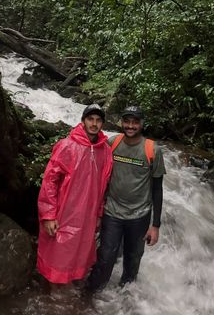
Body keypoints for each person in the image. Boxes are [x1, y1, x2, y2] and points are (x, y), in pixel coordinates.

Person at [86, 105, 166, 291]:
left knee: (132, 260)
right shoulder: (112, 143)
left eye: (135, 122)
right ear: (121, 122)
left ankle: (125, 300)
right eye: (127, 122)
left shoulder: (152, 150)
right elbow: (95, 167)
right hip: (112, 212)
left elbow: (157, 189)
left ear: (141, 124)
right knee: (105, 257)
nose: (130, 126)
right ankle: (90, 295)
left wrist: (155, 226)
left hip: (139, 215)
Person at [37, 104, 113, 284]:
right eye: (90, 119)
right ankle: (51, 296)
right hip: (64, 212)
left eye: (98, 120)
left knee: (80, 253)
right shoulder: (67, 146)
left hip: (88, 214)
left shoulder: (106, 151)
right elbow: (50, 181)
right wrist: (48, 215)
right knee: (57, 254)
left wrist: (99, 214)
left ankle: (70, 294)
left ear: (102, 124)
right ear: (83, 121)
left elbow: (104, 187)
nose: (94, 124)